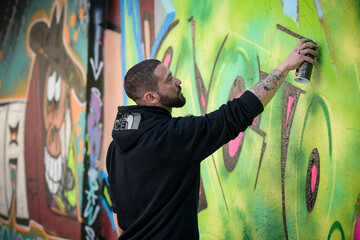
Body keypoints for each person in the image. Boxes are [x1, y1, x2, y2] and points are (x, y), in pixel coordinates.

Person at [106, 38, 317, 239]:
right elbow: (235, 114)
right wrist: (286, 66)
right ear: (151, 98)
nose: (178, 80)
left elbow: (120, 225)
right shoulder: (173, 137)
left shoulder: (115, 150)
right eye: (169, 79)